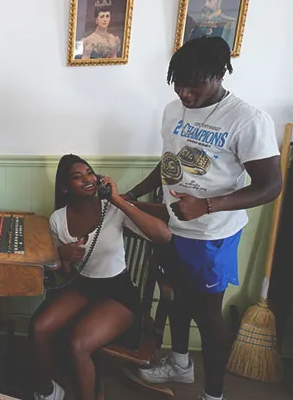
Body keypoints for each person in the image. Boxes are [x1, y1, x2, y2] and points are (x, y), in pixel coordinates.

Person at [122, 36, 282, 400]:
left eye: (194, 85)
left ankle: (214, 393)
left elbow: (271, 186)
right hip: (171, 228)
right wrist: (132, 194)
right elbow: (168, 165)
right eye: (178, 83)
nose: (185, 93)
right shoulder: (171, 110)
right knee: (174, 298)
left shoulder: (247, 120)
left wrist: (207, 206)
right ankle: (180, 366)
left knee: (208, 318)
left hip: (212, 236)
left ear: (218, 75)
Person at [30, 154, 172, 400]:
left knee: (79, 343)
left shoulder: (113, 210)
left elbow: (164, 236)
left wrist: (118, 200)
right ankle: (48, 391)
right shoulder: (58, 219)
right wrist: (63, 254)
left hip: (117, 293)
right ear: (65, 187)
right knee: (38, 327)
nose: (87, 179)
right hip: (83, 287)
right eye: (77, 176)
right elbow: (64, 273)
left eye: (89, 173)